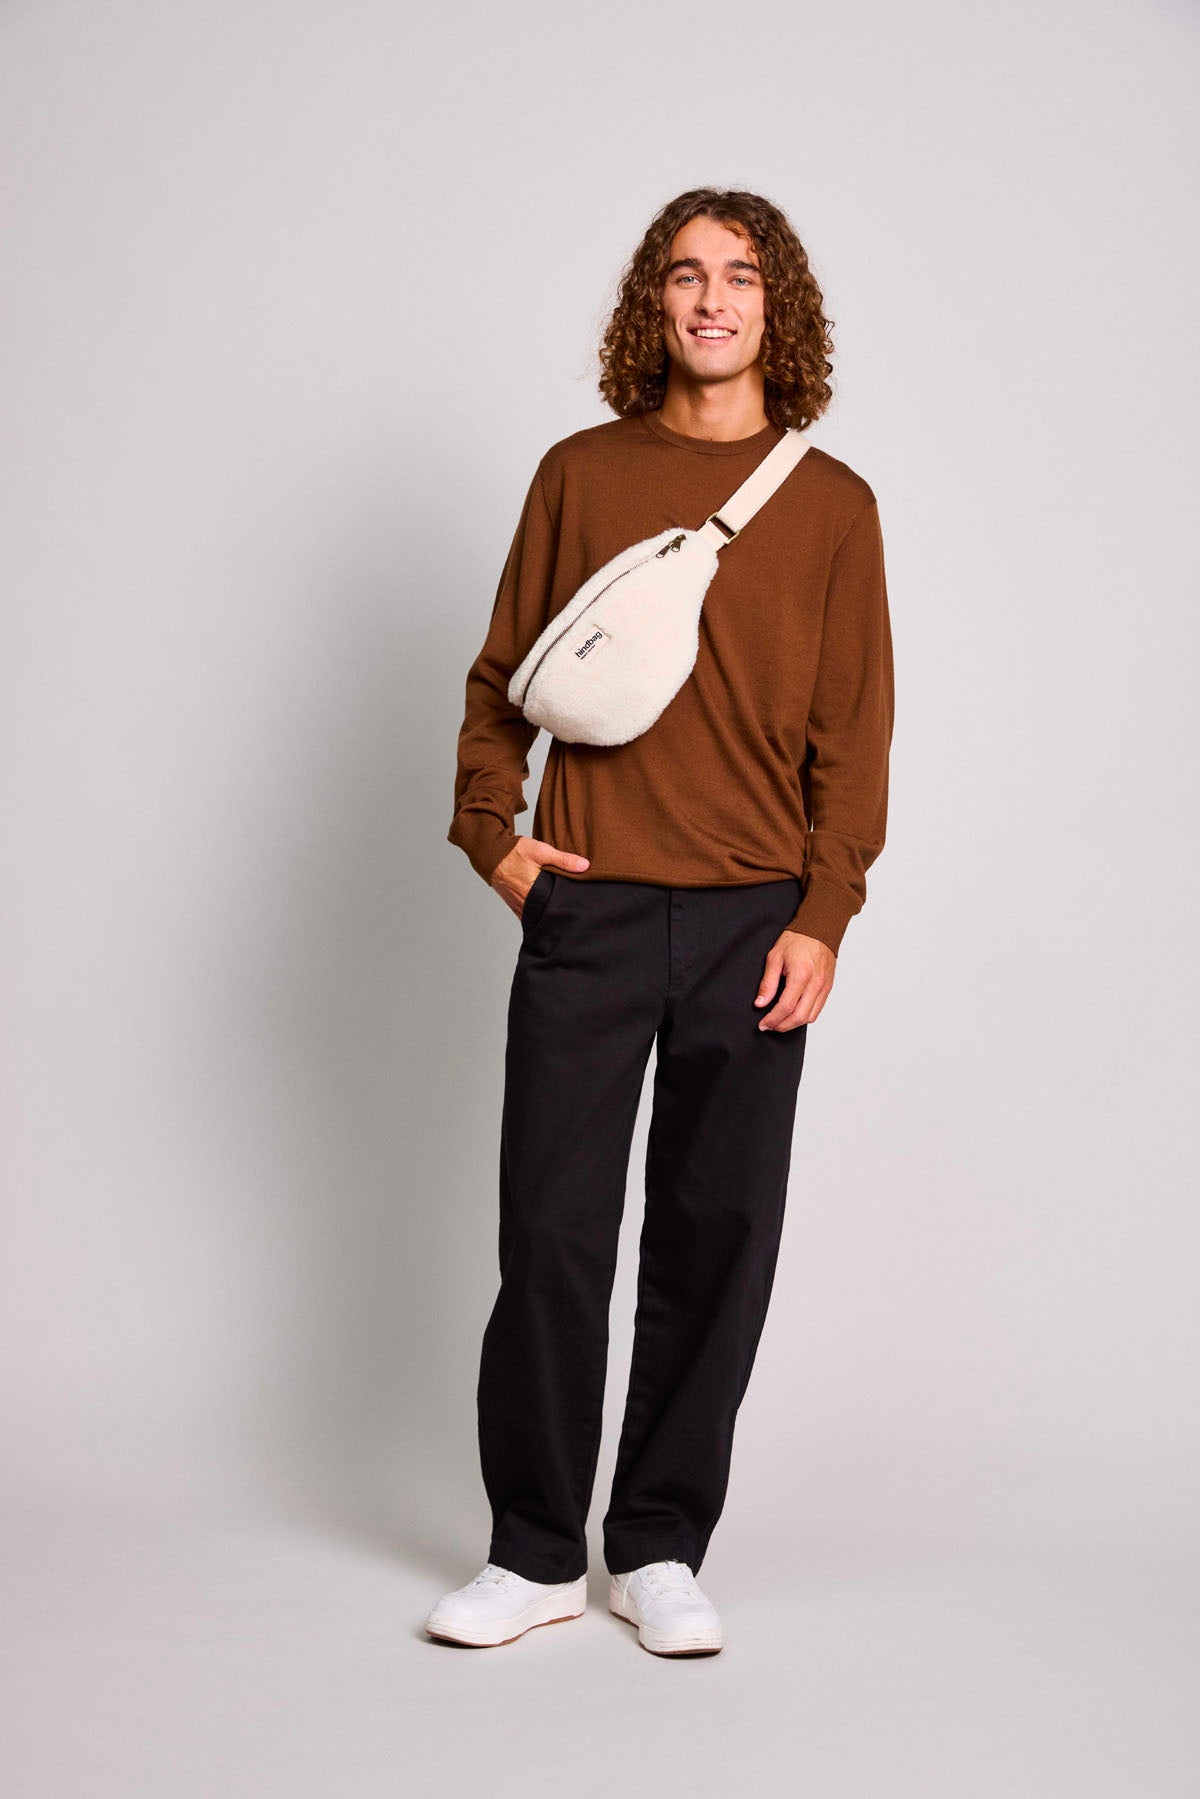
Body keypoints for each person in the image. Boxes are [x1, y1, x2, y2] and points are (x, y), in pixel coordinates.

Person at [426, 186, 895, 1656]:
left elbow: (855, 739)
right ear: (655, 303)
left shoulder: (834, 506)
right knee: (552, 1231)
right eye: (686, 275)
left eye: (741, 276)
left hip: (758, 921)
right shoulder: (580, 473)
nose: (712, 300)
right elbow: (501, 677)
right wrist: (494, 841)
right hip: (593, 906)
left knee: (716, 1239)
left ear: (777, 307)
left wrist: (825, 913)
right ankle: (531, 1554)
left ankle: (659, 1545)